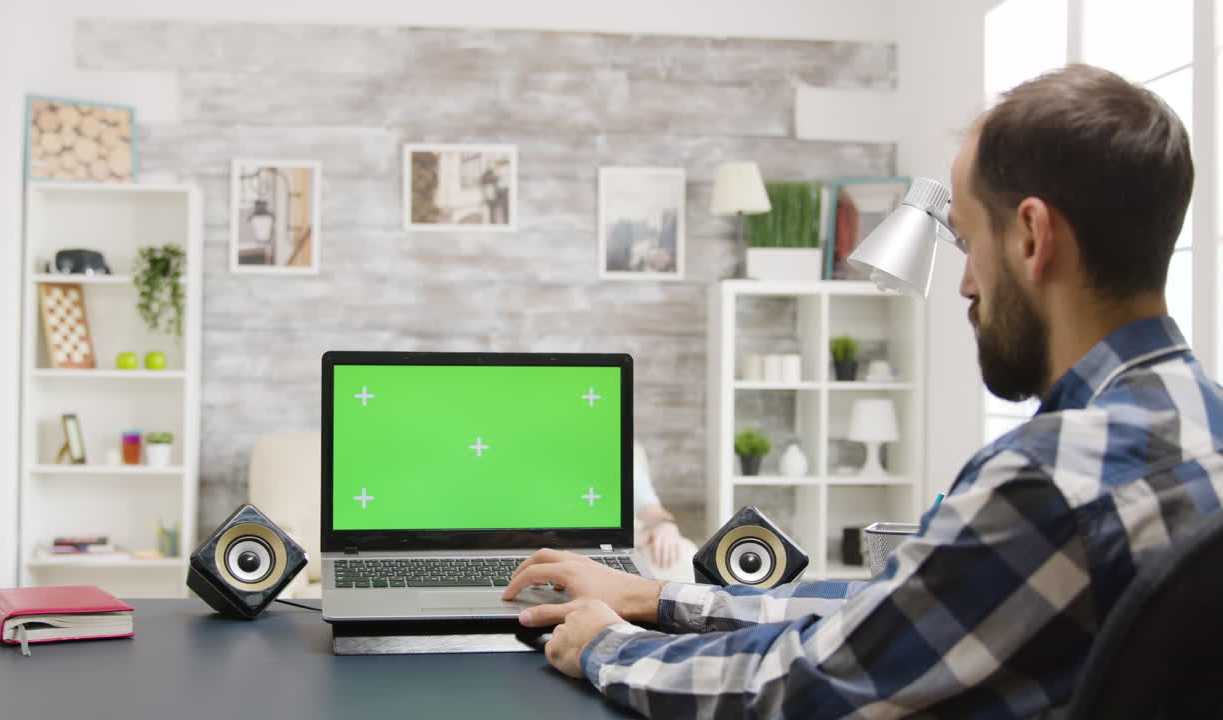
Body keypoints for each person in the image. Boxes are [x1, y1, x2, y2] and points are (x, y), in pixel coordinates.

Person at [502, 64, 1221, 718]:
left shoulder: (1049, 481)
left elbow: (808, 687)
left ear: (1032, 237)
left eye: (968, 243)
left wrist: (607, 645)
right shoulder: (1201, 425)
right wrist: (658, 598)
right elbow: (895, 608)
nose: (966, 285)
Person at [632, 440, 696, 582]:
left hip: (616, 542)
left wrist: (665, 524)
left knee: (684, 553)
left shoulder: (615, 448)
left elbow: (649, 507)